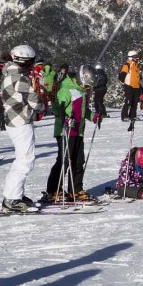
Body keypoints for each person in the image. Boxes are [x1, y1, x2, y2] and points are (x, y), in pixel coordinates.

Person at [0, 45, 45, 212]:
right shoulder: (20, 78)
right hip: (20, 121)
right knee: (24, 161)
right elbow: (35, 101)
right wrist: (41, 108)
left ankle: (15, 194)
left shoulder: (7, 74)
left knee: (22, 159)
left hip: (12, 120)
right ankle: (12, 199)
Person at [44, 65, 93, 202]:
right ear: (80, 79)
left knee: (78, 162)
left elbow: (83, 111)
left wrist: (93, 116)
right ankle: (53, 190)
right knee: (64, 160)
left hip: (78, 131)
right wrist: (62, 114)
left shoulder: (81, 92)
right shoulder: (66, 90)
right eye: (86, 85)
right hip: (65, 131)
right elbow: (56, 108)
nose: (87, 88)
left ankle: (75, 189)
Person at [120, 51, 141, 122]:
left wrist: (139, 85)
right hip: (129, 86)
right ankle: (124, 116)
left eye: (137, 56)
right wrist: (125, 83)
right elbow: (122, 75)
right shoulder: (127, 64)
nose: (136, 58)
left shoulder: (136, 65)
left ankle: (133, 116)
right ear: (130, 57)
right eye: (135, 56)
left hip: (136, 86)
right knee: (128, 102)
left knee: (134, 102)